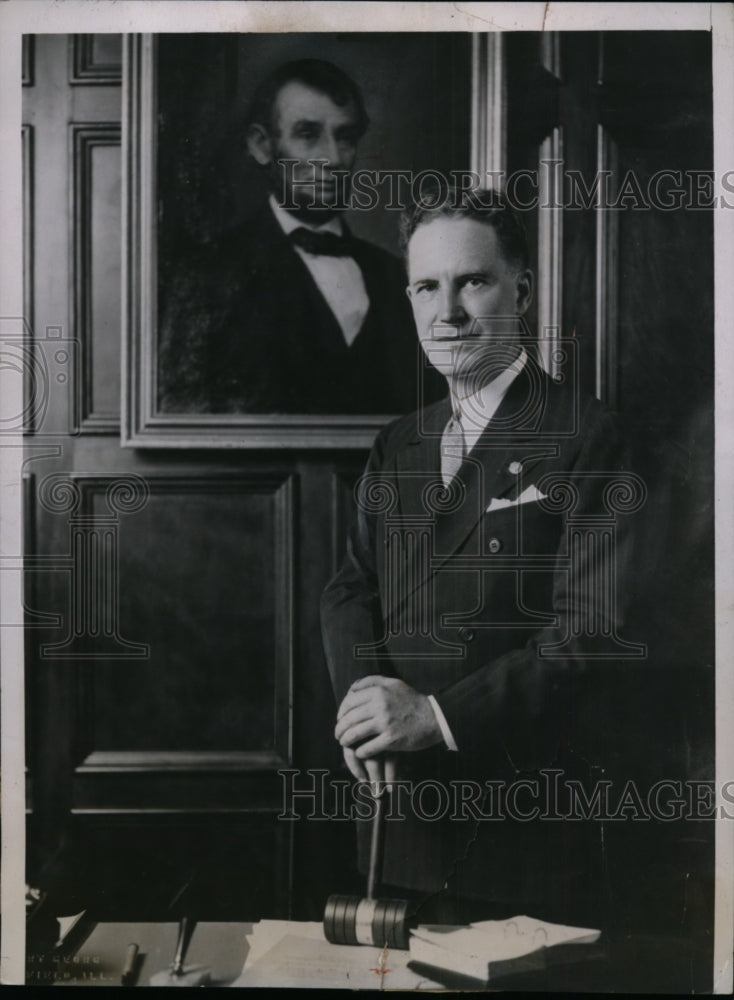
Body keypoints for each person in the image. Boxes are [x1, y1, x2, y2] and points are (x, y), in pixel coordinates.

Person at [320, 188, 644, 928]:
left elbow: (590, 633)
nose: (448, 312)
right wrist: (366, 708)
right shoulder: (398, 441)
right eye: (426, 287)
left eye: (473, 281)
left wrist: (435, 715)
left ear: (521, 290)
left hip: (521, 836)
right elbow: (349, 587)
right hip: (393, 819)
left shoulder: (588, 435)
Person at [158, 58, 441, 415]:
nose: (333, 158)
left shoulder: (397, 278)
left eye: (346, 137)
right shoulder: (207, 276)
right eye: (308, 135)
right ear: (261, 146)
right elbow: (182, 421)